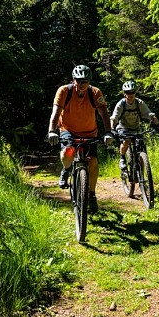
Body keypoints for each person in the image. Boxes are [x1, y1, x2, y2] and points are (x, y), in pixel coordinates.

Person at [47, 65, 115, 214]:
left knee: (93, 162)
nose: (82, 84)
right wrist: (52, 131)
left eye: (85, 81)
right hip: (68, 130)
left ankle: (91, 194)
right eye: (79, 81)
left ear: (89, 81)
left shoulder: (95, 92)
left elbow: (103, 112)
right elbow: (56, 112)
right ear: (73, 80)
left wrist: (108, 132)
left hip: (90, 132)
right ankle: (66, 170)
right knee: (68, 153)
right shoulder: (64, 91)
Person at [110, 80, 159, 172]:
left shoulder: (139, 103)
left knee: (140, 145)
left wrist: (158, 124)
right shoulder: (121, 104)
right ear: (124, 94)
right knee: (126, 141)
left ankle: (141, 169)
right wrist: (112, 129)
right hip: (123, 128)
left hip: (136, 128)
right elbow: (114, 118)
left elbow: (150, 114)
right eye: (128, 93)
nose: (130, 95)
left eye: (132, 92)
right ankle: (122, 158)